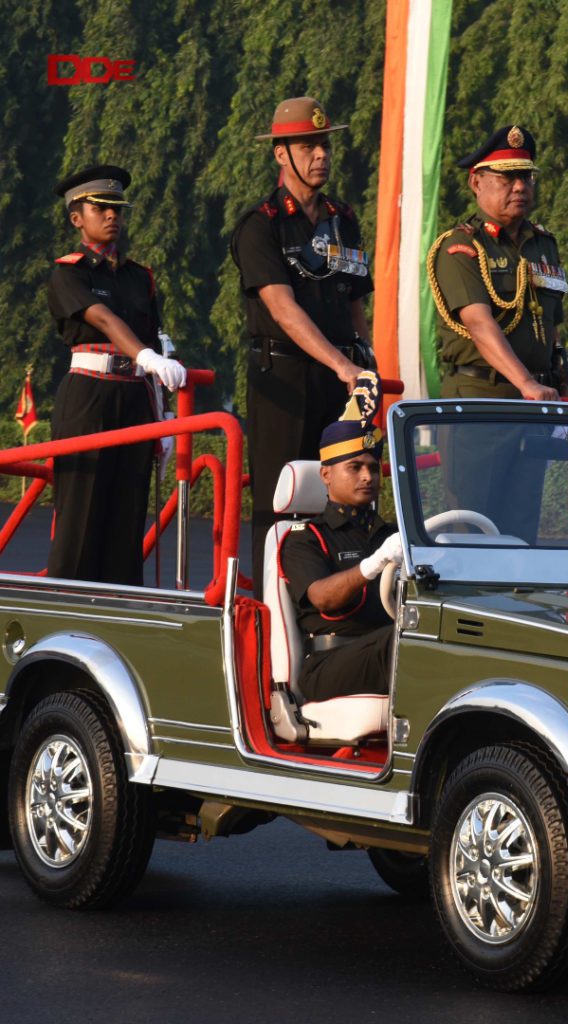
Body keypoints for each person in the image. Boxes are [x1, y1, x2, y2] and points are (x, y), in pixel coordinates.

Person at [231, 96, 375, 595]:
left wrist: (366, 360)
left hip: (341, 378)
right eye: (308, 145)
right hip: (285, 379)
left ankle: (338, 606)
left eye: (325, 143)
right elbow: (282, 307)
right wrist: (341, 364)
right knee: (282, 501)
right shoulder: (261, 223)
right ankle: (272, 617)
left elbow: (355, 299)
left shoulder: (343, 218)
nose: (321, 155)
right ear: (280, 154)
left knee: (349, 494)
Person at [428, 125, 568, 538]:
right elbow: (478, 322)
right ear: (476, 181)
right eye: (506, 177)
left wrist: (558, 370)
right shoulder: (461, 247)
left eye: (525, 176)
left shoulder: (543, 244)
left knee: (522, 530)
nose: (519, 187)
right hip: (481, 405)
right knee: (472, 528)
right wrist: (526, 381)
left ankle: (516, 603)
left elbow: (550, 322)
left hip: (531, 405)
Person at [47, 164, 187, 585]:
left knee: (127, 520)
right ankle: (64, 614)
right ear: (77, 218)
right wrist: (148, 356)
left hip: (134, 396)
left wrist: (163, 418)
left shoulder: (138, 276)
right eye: (101, 208)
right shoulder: (69, 272)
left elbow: (155, 341)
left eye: (117, 209)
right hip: (89, 397)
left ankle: (121, 614)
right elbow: (103, 320)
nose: (112, 216)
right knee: (81, 520)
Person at [279, 372, 403, 702]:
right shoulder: (304, 537)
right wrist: (374, 565)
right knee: (405, 643)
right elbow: (322, 597)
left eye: (374, 468)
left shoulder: (391, 535)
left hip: (386, 649)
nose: (368, 476)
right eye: (355, 467)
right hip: (328, 663)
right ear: (326, 475)